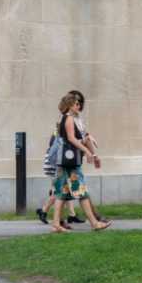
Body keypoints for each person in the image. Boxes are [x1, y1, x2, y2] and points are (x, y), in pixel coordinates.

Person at [50, 92, 110, 233]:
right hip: (70, 162)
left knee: (62, 193)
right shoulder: (69, 118)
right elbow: (71, 138)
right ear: (70, 105)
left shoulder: (67, 118)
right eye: (77, 103)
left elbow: (81, 136)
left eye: (79, 104)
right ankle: (94, 223)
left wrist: (92, 151)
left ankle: (55, 224)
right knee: (81, 192)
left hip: (65, 162)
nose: (79, 106)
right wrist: (88, 152)